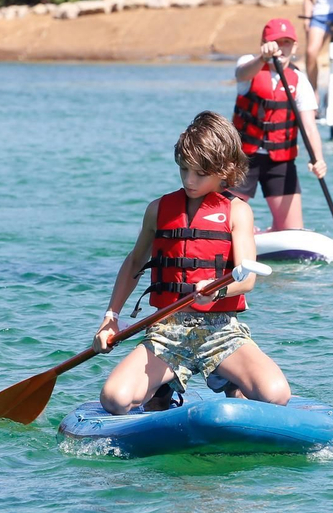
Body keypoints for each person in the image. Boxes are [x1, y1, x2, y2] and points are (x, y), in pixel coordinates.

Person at [92, 111, 292, 414]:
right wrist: (110, 317)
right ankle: (161, 388)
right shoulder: (158, 209)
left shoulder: (237, 211)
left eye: (199, 173)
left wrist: (217, 291)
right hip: (167, 331)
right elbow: (134, 264)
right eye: (184, 169)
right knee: (114, 399)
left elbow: (247, 279)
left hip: (221, 331)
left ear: (224, 169)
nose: (189, 180)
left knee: (276, 395)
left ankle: (230, 381)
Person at [231, 17, 327, 232]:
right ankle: (243, 232)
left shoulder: (300, 80)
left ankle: (262, 235)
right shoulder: (249, 65)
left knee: (291, 230)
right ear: (264, 43)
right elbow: (241, 74)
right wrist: (262, 58)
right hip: (243, 158)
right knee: (225, 217)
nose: (281, 48)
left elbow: (309, 127)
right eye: (276, 42)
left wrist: (318, 159)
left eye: (287, 42)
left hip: (280, 162)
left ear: (295, 46)